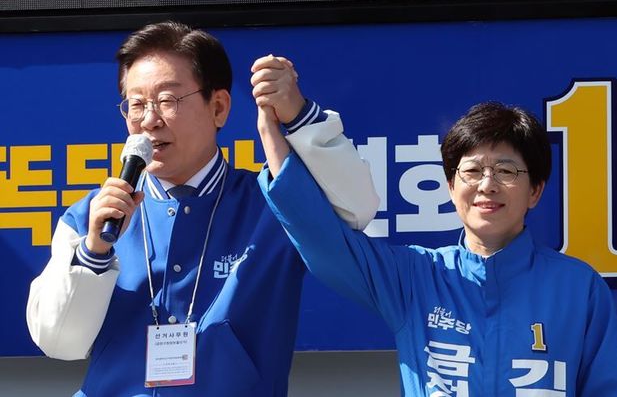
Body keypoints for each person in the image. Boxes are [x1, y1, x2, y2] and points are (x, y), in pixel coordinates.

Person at [26, 22, 378, 396]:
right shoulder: (91, 217)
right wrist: (94, 252)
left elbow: (357, 208)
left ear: (219, 108)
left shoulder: (272, 205)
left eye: (167, 100)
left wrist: (299, 117)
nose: (149, 121)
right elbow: (58, 342)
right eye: (137, 104)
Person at [254, 92, 617, 395]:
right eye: (472, 171)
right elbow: (322, 238)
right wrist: (275, 133)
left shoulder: (579, 287)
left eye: (506, 170)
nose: (487, 185)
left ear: (535, 190)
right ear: (451, 188)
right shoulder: (414, 277)